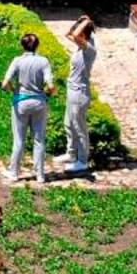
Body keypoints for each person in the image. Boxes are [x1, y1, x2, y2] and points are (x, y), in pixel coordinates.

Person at [2, 33, 56, 183]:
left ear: (22, 45)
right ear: (37, 45)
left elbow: (5, 83)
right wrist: (46, 94)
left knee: (19, 139)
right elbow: (51, 85)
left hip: (21, 102)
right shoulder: (43, 61)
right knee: (39, 139)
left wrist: (14, 91)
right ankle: (40, 175)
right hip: (39, 102)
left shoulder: (17, 61)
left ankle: (14, 172)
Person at [55, 16, 97, 174]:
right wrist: (79, 21)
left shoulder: (89, 49)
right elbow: (68, 34)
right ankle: (71, 153)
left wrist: (87, 21)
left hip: (80, 92)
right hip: (72, 89)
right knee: (68, 123)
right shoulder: (81, 46)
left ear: (85, 35)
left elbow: (76, 35)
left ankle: (82, 160)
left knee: (79, 127)